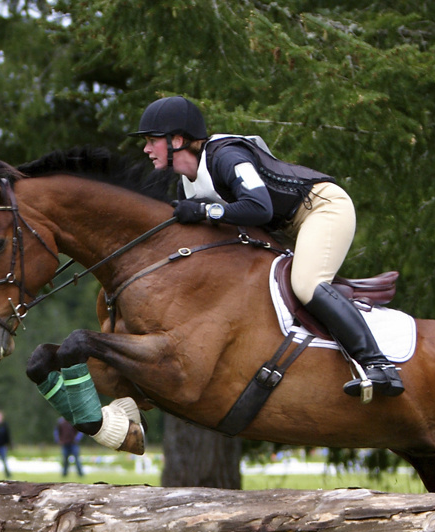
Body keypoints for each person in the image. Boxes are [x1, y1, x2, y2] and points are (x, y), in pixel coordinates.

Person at [131, 95, 404, 398]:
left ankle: (379, 365)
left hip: (322, 208)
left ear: (177, 140)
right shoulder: (189, 182)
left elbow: (259, 208)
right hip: (288, 226)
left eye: (151, 140)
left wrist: (206, 212)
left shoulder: (226, 156)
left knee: (306, 283)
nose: (146, 149)